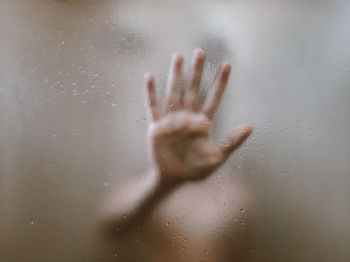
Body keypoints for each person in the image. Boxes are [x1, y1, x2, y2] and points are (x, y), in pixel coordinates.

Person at [100, 48, 255, 261]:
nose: (187, 126)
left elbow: (245, 255)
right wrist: (161, 183)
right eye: (177, 114)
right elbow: (110, 229)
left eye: (197, 112)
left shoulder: (234, 194)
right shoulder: (138, 185)